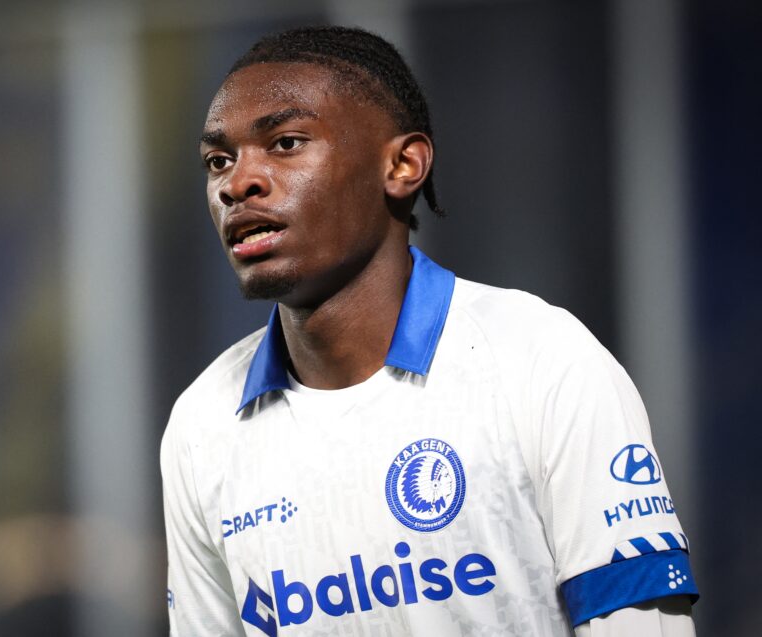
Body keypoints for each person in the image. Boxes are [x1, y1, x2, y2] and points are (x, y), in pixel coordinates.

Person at [160, 25, 697, 636]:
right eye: (218, 161)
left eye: (285, 143)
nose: (237, 184)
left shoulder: (541, 359)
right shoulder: (202, 424)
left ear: (403, 164)